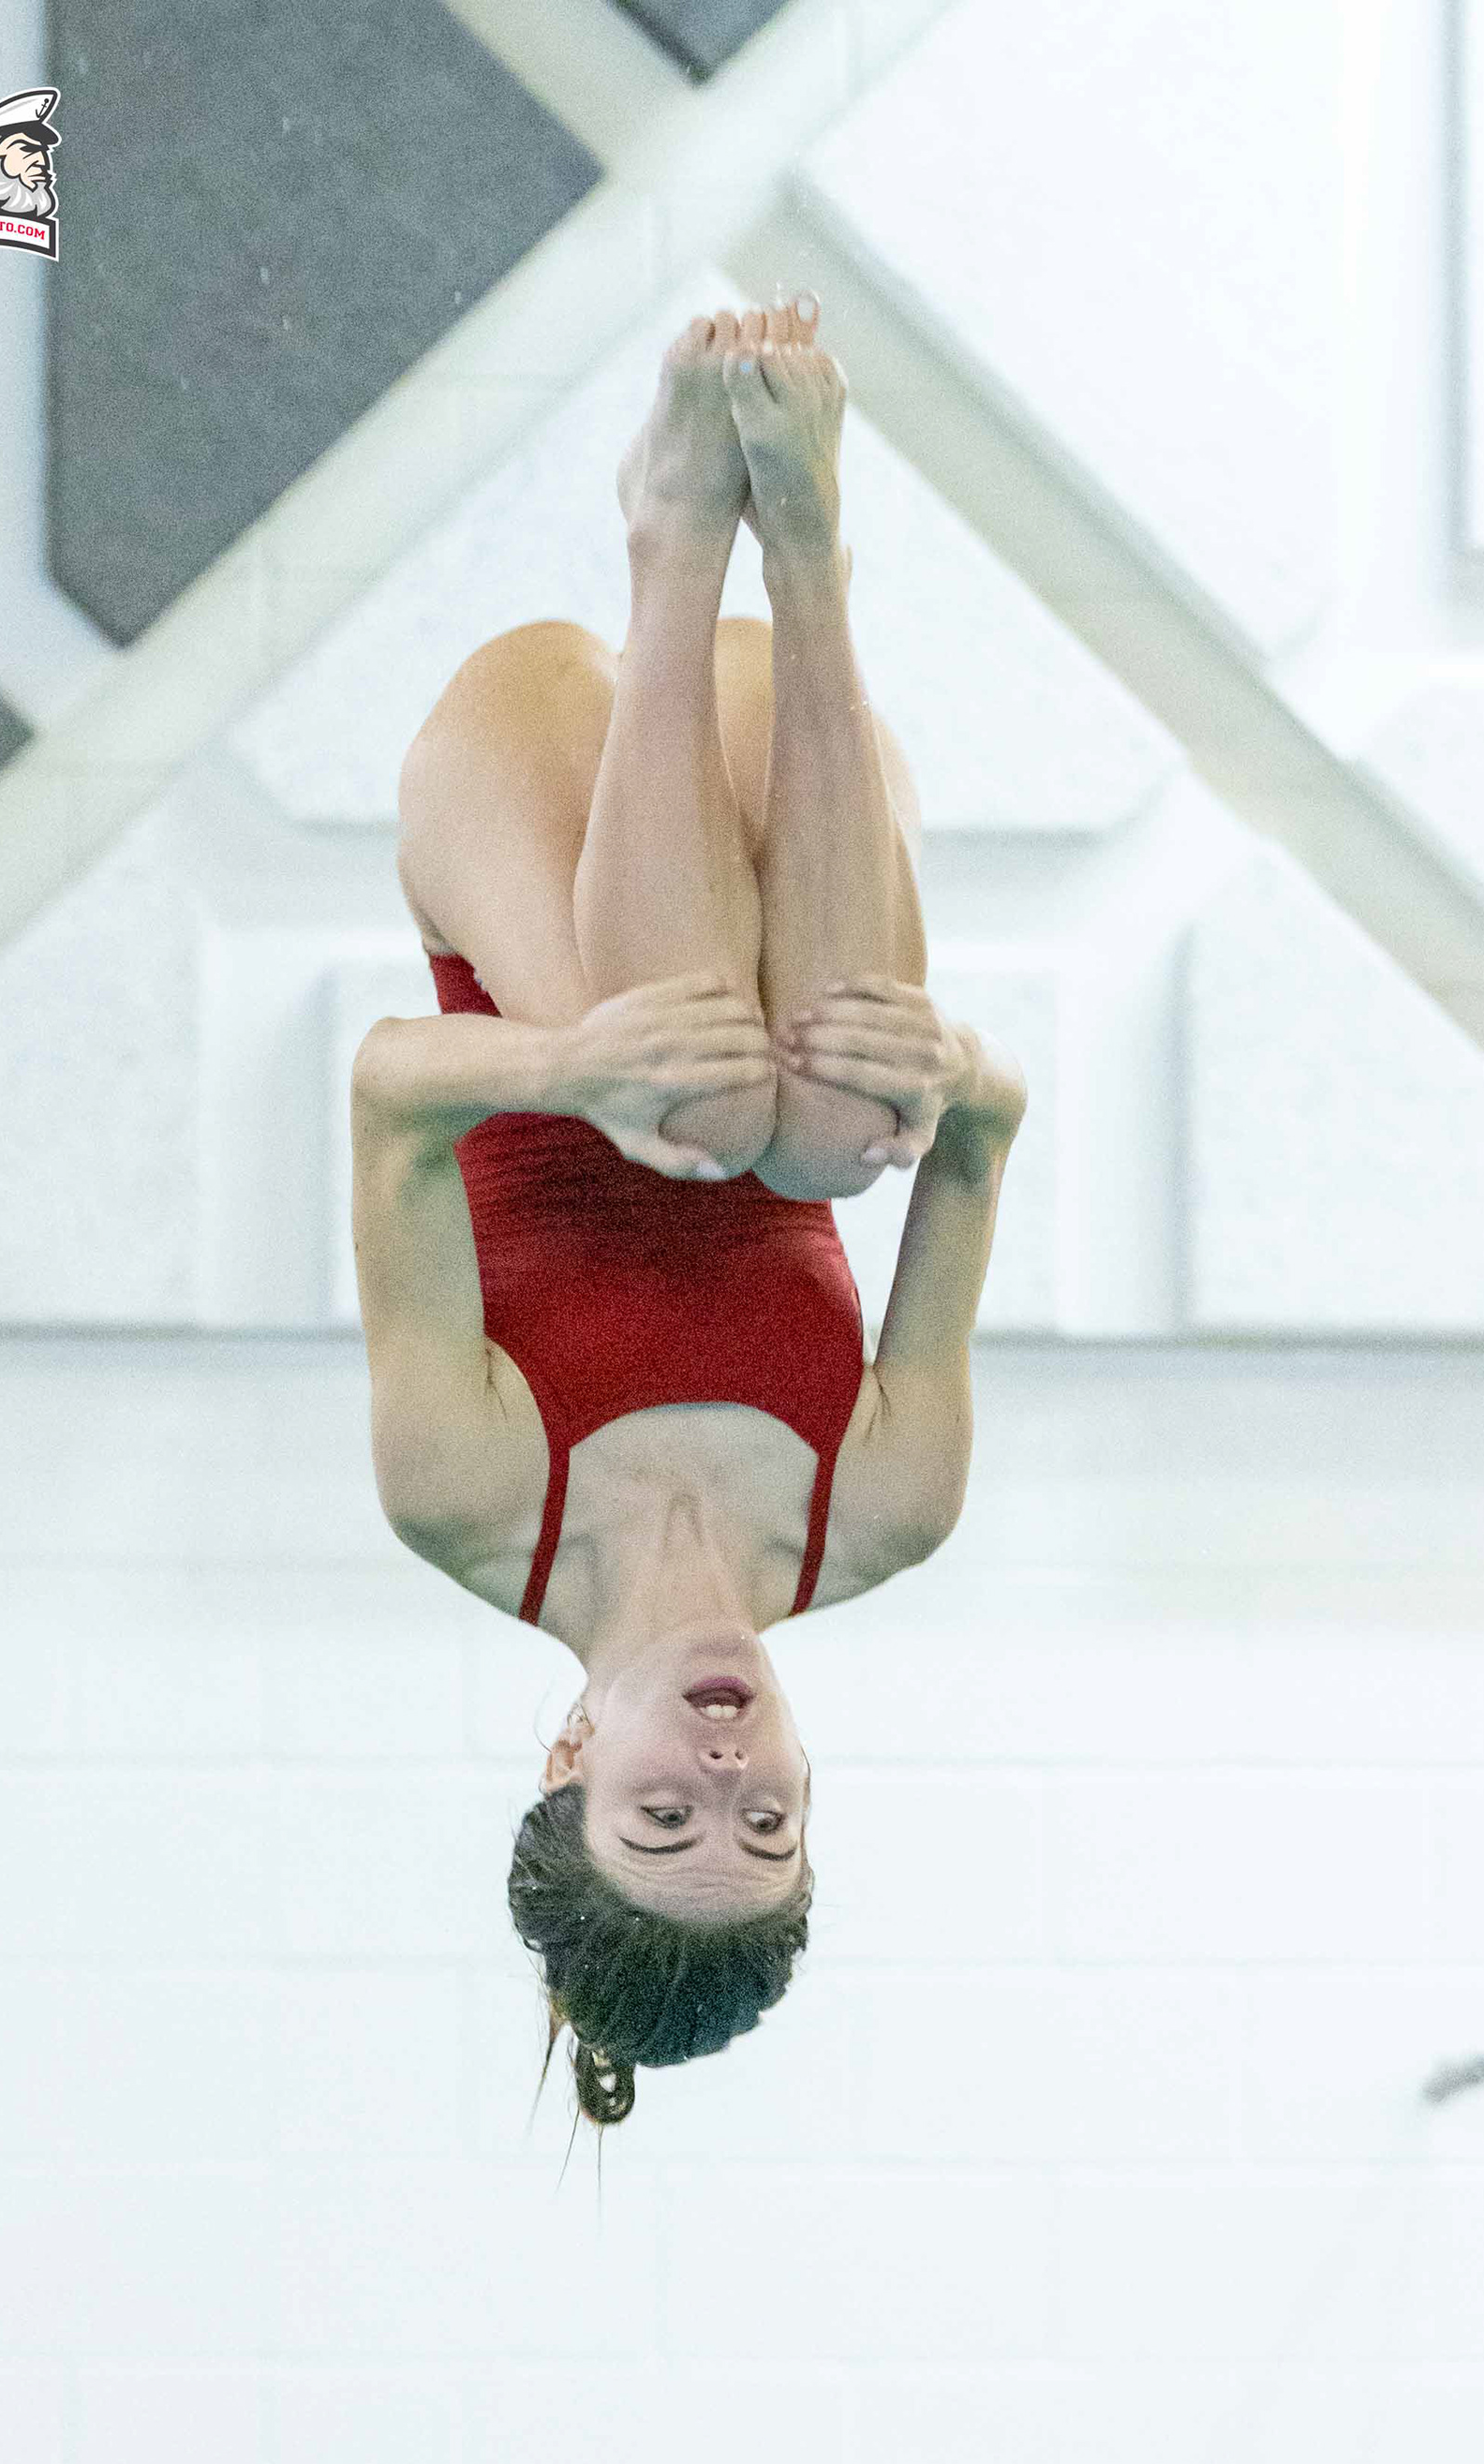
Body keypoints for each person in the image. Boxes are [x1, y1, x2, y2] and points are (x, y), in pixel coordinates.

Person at [350, 296, 1026, 2125]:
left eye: (664, 1814)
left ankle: (676, 532)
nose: (726, 1771)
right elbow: (985, 1134)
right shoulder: (884, 1513)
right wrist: (948, 1066)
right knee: (841, 1128)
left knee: (704, 1116)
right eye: (768, 1820)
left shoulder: (469, 1502)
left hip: (527, 791)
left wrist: (570, 1066)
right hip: (769, 766)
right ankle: (807, 552)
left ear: (569, 1757)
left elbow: (392, 1091)